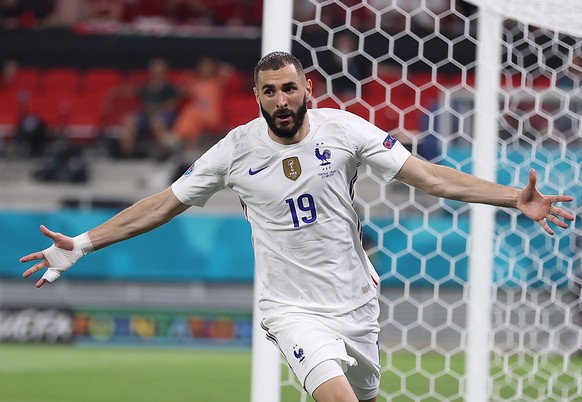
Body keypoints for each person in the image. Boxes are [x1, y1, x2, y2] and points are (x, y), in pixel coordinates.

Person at [20, 52, 574, 402]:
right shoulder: (234, 150)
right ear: (256, 96)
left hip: (357, 307)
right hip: (291, 310)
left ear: (306, 87)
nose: (281, 100)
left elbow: (429, 178)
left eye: (289, 88)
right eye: (269, 91)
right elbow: (163, 204)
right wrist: (84, 243)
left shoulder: (344, 129)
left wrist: (511, 199)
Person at [115, 57, 180, 159]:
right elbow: (130, 92)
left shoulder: (169, 88)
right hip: (146, 115)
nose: (157, 75)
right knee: (128, 120)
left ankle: (165, 155)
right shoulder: (145, 88)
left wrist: (156, 108)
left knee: (157, 122)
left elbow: (171, 106)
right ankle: (127, 156)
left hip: (163, 115)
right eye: (155, 72)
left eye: (160, 72)